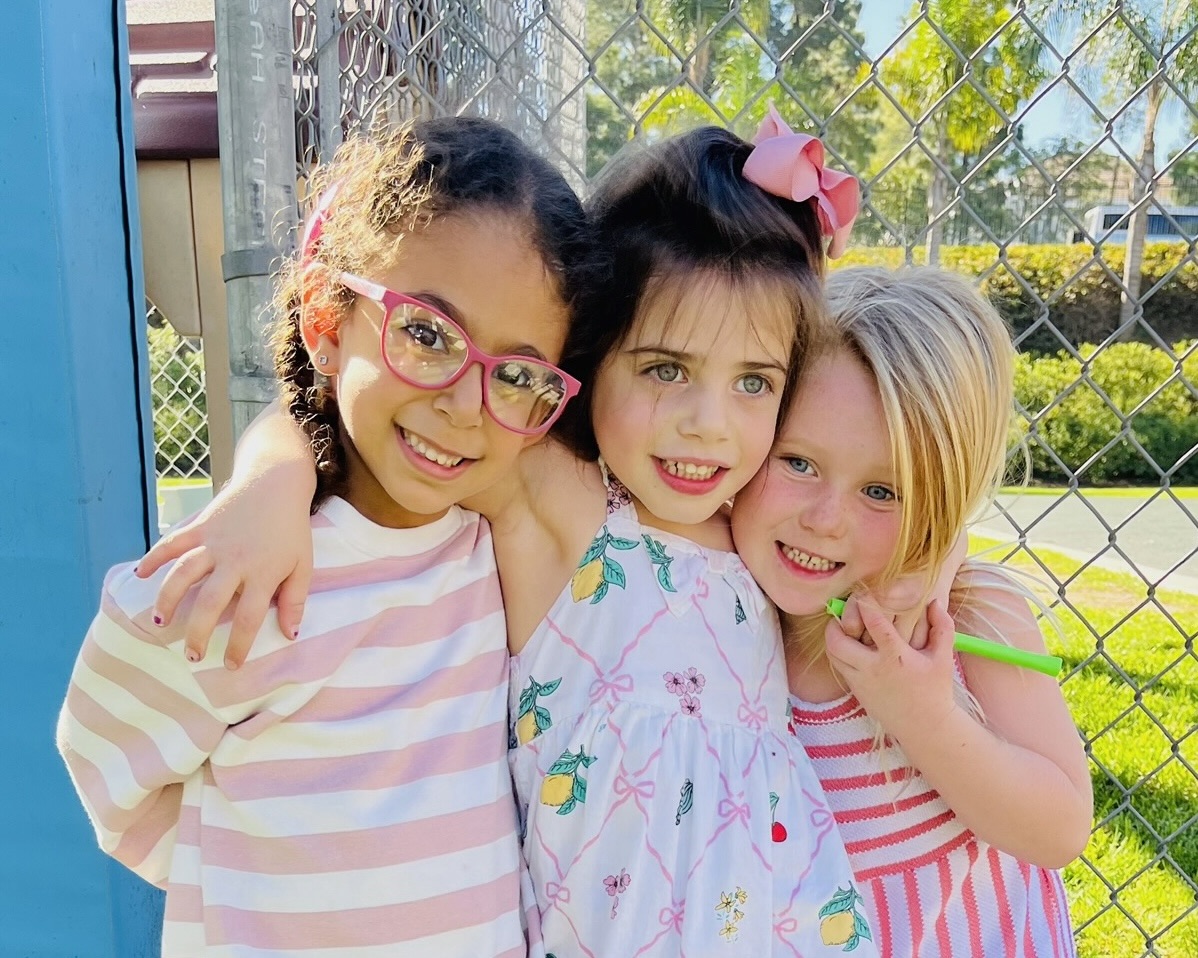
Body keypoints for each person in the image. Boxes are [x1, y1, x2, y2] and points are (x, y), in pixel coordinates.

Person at [135, 107, 880, 956]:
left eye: (754, 383)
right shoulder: (559, 496)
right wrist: (271, 478)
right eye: (665, 369)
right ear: (588, 360)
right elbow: (353, 404)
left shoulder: (756, 525)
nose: (709, 426)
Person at [57, 116, 603, 958]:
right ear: (326, 314)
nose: (465, 403)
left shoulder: (496, 544)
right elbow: (103, 764)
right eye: (426, 333)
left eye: (518, 374)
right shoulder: (244, 581)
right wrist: (239, 866)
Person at [730, 266, 1093, 957]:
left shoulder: (973, 624)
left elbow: (1058, 830)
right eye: (798, 463)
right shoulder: (717, 603)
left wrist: (919, 711)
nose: (825, 520)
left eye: (882, 492)